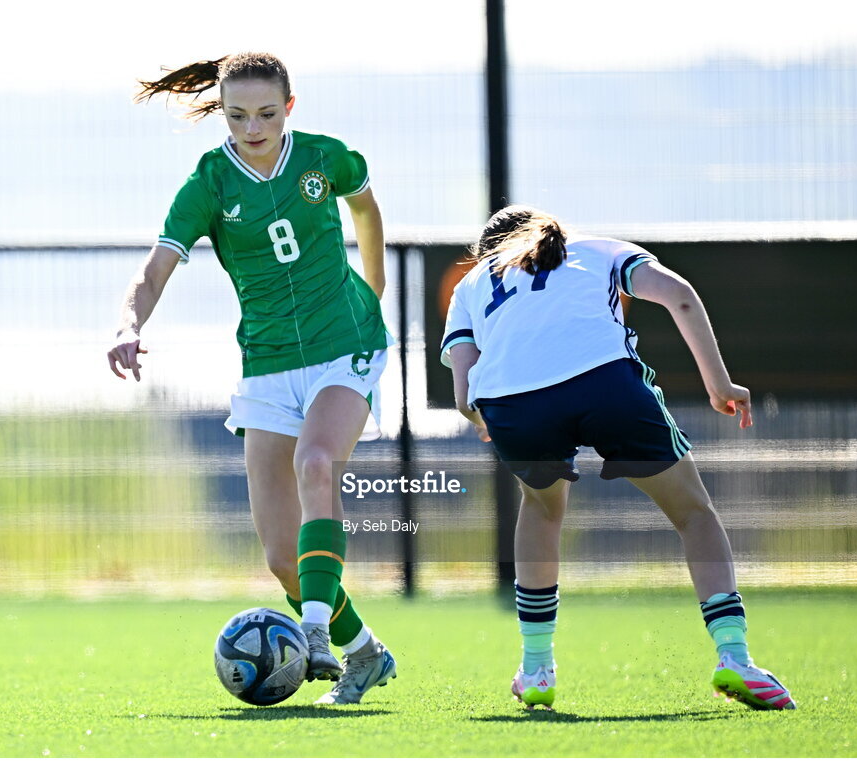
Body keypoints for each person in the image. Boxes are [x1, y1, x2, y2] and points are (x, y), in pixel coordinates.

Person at [108, 52, 396, 705]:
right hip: (266, 362)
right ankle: (364, 653)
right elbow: (153, 272)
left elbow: (367, 209)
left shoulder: (324, 158)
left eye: (266, 113)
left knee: (318, 462)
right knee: (280, 557)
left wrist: (373, 286)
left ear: (289, 107)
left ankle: (315, 633)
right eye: (237, 115)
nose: (252, 126)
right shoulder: (210, 184)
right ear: (223, 113)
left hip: (345, 344)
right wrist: (127, 325)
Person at [441, 205, 795, 711]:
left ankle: (537, 669)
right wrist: (719, 384)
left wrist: (483, 419)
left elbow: (463, 391)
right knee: (694, 514)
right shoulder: (599, 248)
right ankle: (734, 658)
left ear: (487, 251)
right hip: (605, 383)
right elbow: (681, 297)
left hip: (513, 405)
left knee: (540, 511)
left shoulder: (471, 283)